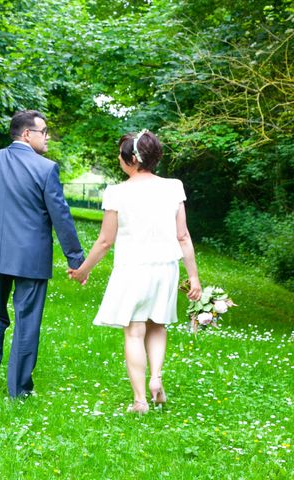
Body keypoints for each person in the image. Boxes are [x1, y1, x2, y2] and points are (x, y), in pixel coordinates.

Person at [68, 129, 202, 414]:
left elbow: (105, 241)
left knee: (134, 331)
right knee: (158, 325)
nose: (118, 159)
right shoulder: (173, 186)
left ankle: (140, 399)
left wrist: (83, 271)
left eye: (120, 154)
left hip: (132, 269)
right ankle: (156, 378)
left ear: (131, 158)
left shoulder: (117, 192)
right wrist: (194, 277)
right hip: (166, 269)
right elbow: (183, 236)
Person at [0, 110, 85, 399]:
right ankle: (18, 389)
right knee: (27, 319)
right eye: (44, 132)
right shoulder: (45, 169)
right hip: (31, 258)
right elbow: (61, 217)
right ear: (27, 134)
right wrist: (75, 258)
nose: (47, 137)